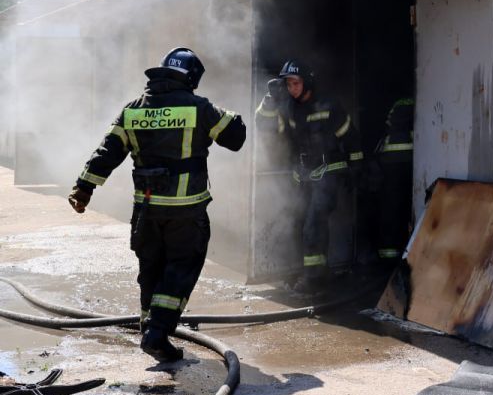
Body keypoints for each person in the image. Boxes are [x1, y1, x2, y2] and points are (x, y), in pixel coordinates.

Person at [67, 47, 246, 363]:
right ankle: (157, 332)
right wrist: (224, 113)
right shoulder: (198, 108)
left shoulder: (133, 110)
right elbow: (235, 138)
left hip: (145, 213)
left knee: (151, 269)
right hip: (186, 212)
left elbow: (106, 152)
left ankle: (151, 331)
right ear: (190, 78)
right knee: (180, 268)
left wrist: (83, 188)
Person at [255, 59, 363, 293]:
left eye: (296, 83)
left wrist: (357, 168)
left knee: (314, 224)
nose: (292, 88)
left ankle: (314, 279)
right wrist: (269, 100)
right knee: (298, 222)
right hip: (303, 174)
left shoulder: (329, 105)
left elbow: (350, 137)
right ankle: (309, 271)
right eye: (288, 84)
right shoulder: (287, 107)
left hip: (329, 171)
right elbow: (263, 125)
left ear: (307, 82)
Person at [374, 98, 414, 263]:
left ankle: (388, 255)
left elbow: (388, 124)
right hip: (406, 161)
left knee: (391, 206)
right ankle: (400, 253)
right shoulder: (411, 103)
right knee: (402, 206)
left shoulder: (398, 104)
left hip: (390, 162)